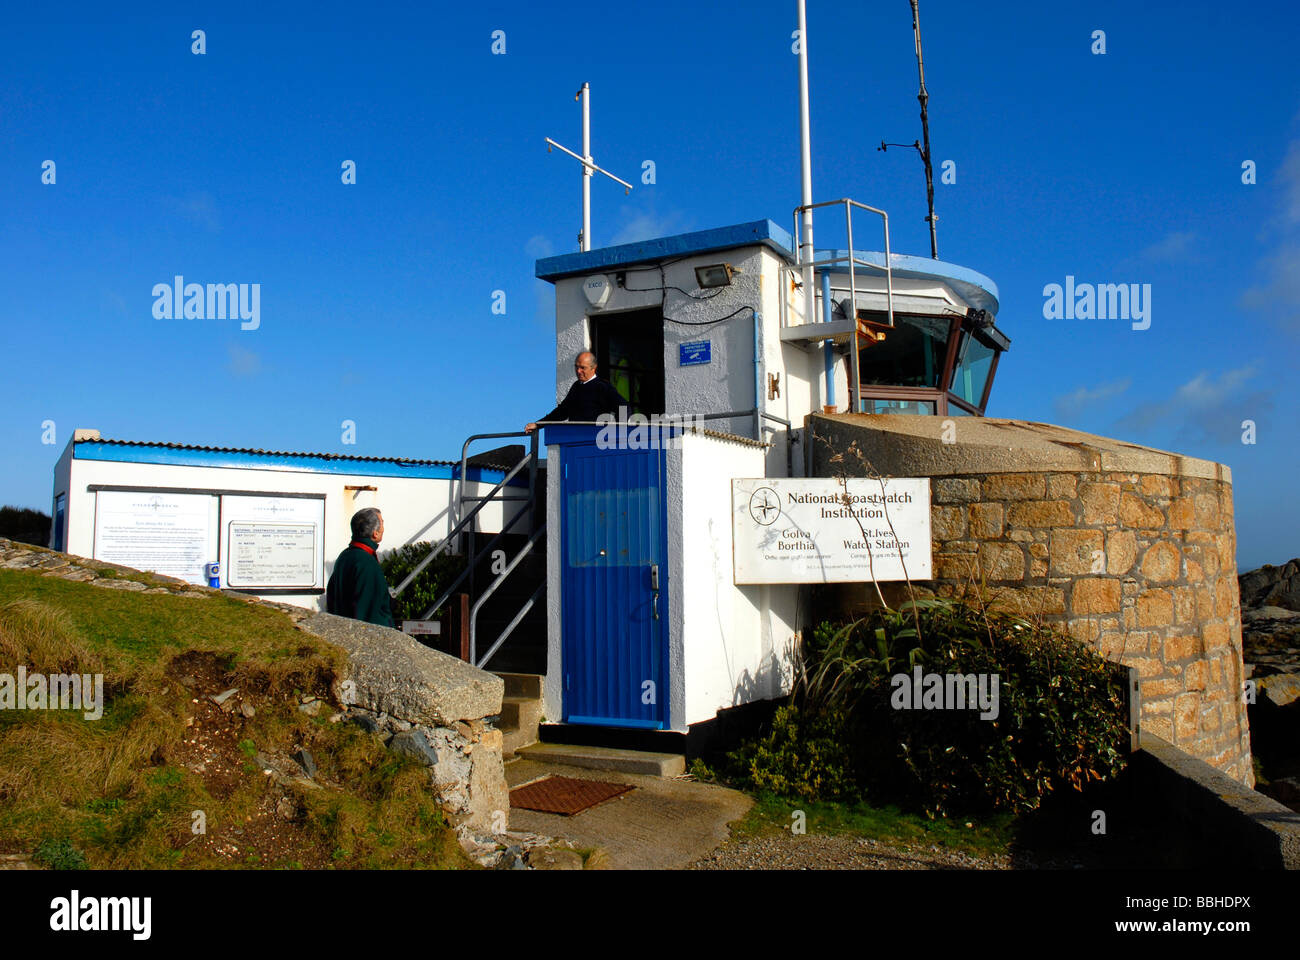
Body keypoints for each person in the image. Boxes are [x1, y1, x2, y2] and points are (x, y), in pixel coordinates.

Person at [325, 507, 395, 628]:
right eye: (382, 523)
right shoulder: (366, 562)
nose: (383, 529)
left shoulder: (345, 556)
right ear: (375, 532)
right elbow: (370, 613)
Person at [525, 351, 624, 433]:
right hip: (576, 442)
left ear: (593, 368)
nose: (578, 371)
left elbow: (623, 407)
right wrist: (538, 424)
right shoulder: (576, 386)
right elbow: (562, 411)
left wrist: (620, 436)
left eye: (582, 368)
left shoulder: (603, 386)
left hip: (596, 443)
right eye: (576, 367)